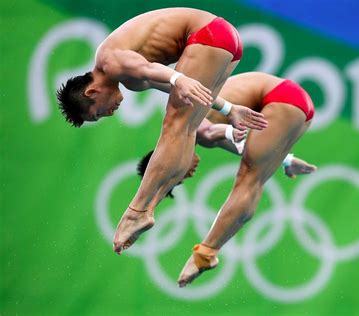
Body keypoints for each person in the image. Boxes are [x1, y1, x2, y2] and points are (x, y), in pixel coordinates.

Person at [55, 8, 268, 254]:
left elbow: (149, 69)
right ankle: (149, 207)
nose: (109, 113)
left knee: (175, 126)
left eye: (99, 113)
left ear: (91, 93)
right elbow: (175, 84)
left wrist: (178, 79)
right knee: (187, 128)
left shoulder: (109, 61)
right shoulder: (129, 80)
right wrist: (229, 108)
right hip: (226, 40)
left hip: (208, 34)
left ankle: (136, 210)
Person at [136, 72, 316, 286]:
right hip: (296, 104)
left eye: (180, 176)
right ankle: (206, 253)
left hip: (282, 97)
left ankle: (205, 254)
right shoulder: (197, 138)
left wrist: (229, 131)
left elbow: (211, 130)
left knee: (249, 180)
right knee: (252, 175)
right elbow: (247, 149)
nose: (190, 174)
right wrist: (285, 160)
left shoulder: (186, 127)